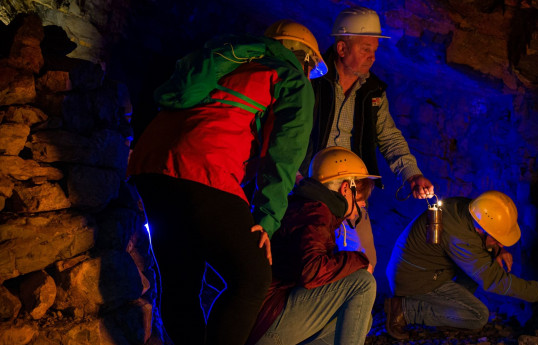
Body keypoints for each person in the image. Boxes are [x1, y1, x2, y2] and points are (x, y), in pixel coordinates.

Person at [127, 20, 326, 345]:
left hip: (150, 167)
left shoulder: (227, 59)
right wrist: (268, 218)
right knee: (252, 277)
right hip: (205, 167)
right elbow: (285, 154)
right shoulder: (289, 76)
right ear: (305, 60)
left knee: (181, 282)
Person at [301, 5, 435, 270]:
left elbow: (389, 136)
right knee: (312, 264)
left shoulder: (373, 92)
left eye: (374, 50)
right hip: (310, 185)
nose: (372, 57)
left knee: (365, 265)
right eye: (365, 49)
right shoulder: (311, 79)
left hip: (352, 191)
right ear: (341, 49)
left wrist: (412, 174)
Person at [385, 191, 538, 340]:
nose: (502, 244)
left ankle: (445, 315)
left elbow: (479, 243)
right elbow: (495, 281)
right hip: (414, 280)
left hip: (428, 270)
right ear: (481, 229)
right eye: (498, 240)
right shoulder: (460, 237)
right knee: (478, 316)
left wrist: (498, 250)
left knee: (478, 269)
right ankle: (404, 309)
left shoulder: (470, 210)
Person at [247, 146, 380, 345]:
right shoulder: (315, 212)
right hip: (270, 322)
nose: (361, 208)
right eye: (360, 200)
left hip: (271, 318)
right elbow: (312, 271)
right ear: (346, 188)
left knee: (362, 317)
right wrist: (358, 260)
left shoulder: (310, 207)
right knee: (362, 282)